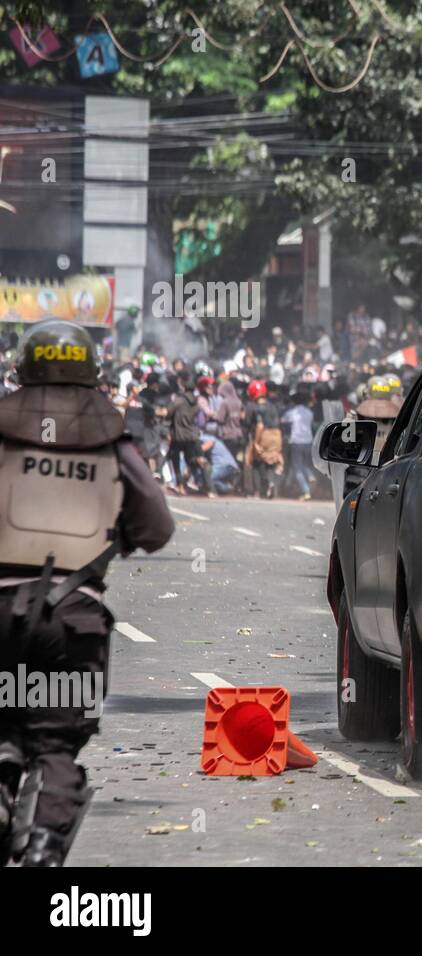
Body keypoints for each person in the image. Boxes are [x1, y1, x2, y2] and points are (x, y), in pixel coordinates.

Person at [0, 320, 174, 866]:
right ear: (92, 372)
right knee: (54, 746)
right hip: (73, 619)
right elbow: (157, 528)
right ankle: (43, 847)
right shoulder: (112, 442)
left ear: (22, 369)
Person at [167, 371, 208, 495]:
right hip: (191, 435)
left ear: (184, 387)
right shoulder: (196, 403)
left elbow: (168, 413)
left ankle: (180, 485)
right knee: (190, 459)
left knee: (175, 460)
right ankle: (188, 479)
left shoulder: (178, 401)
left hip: (178, 435)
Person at [245, 379, 283, 499]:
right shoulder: (273, 406)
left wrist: (256, 443)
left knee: (257, 463)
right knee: (271, 462)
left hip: (263, 435)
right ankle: (271, 484)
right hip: (276, 435)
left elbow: (260, 425)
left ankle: (257, 492)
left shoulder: (256, 408)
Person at [280, 387, 316, 501]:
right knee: (305, 465)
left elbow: (282, 420)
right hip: (308, 441)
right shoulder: (310, 413)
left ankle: (306, 491)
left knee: (298, 468)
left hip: (296, 441)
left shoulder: (292, 413)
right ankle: (311, 476)